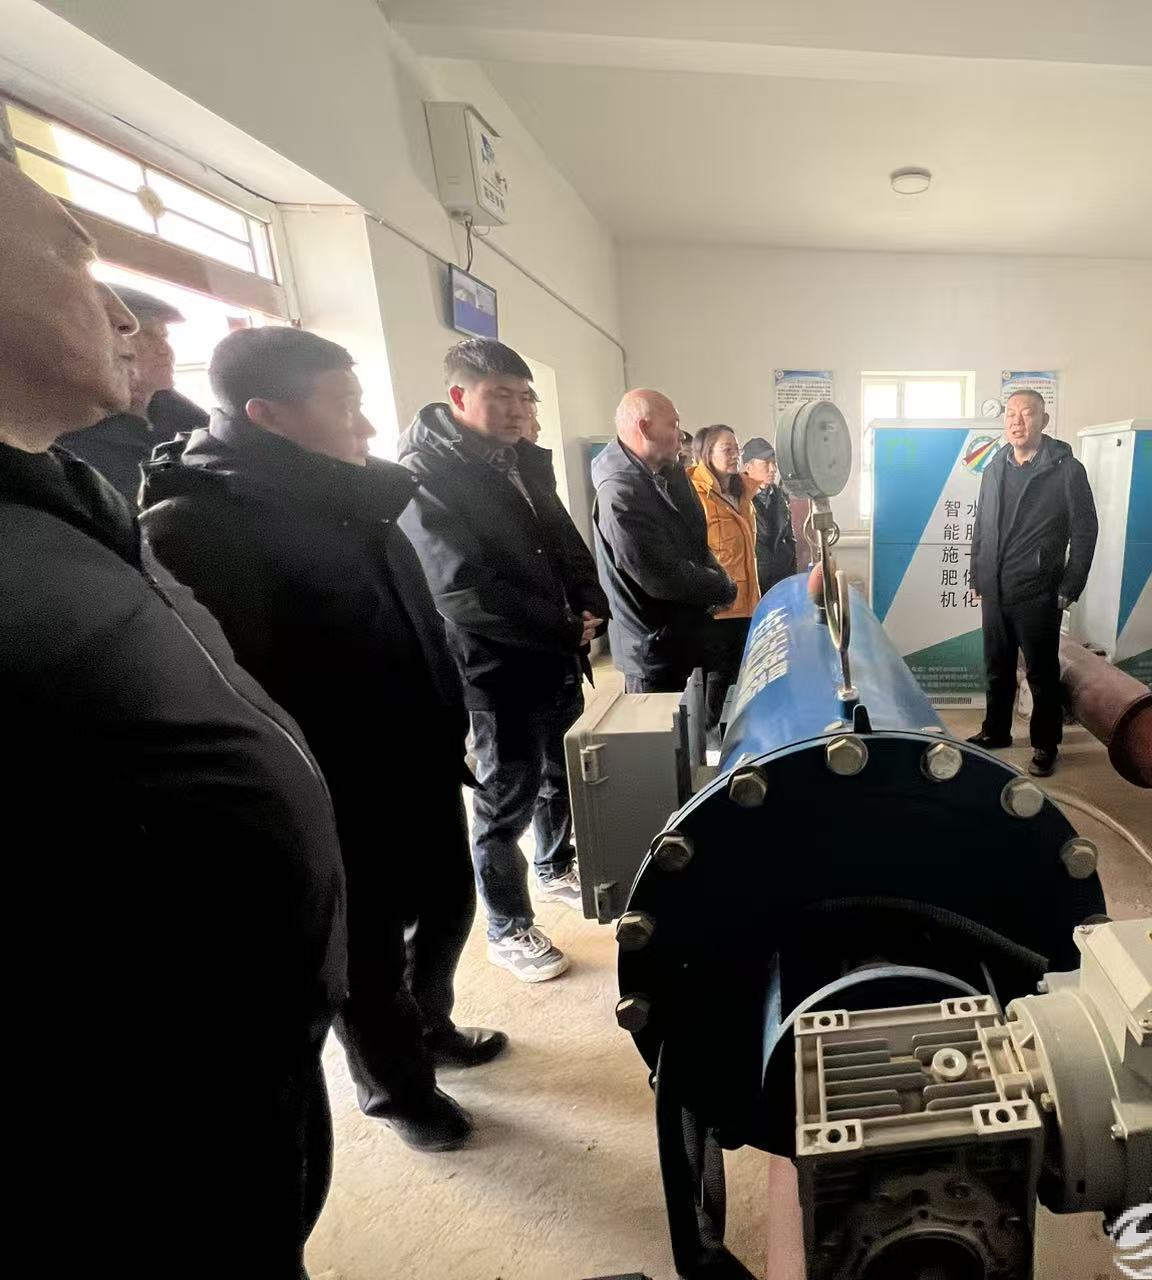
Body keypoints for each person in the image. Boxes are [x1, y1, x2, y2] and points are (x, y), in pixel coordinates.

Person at [0, 144, 345, 1274]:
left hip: (233, 1059)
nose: (118, 312)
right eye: (71, 256)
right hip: (123, 1117)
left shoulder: (65, 504)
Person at [138, 327, 504, 1153]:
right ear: (267, 415)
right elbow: (237, 691)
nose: (365, 426)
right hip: (336, 786)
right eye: (345, 407)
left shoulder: (352, 494)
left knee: (449, 902)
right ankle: (398, 1090)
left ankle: (431, 1025)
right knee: (365, 953)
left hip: (415, 758)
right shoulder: (201, 524)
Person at [398, 339, 609, 984]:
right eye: (501, 396)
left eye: (525, 397)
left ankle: (553, 864)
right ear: (459, 396)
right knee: (503, 798)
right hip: (496, 670)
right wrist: (561, 624)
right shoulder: (426, 475)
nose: (518, 410)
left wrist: (590, 604)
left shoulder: (521, 460)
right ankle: (506, 926)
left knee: (558, 775)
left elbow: (564, 542)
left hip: (556, 654)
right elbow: (461, 589)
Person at [967, 389, 1098, 777]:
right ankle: (996, 731)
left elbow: (1085, 530)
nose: (1017, 421)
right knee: (997, 667)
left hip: (1039, 591)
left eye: (1026, 413)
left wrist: (1069, 587)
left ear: (1043, 420)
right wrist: (977, 575)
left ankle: (1045, 744)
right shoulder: (995, 468)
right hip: (995, 587)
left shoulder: (1066, 470)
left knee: (1041, 674)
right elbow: (981, 526)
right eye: (1011, 413)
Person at [592, 389, 737, 693]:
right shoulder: (621, 493)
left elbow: (696, 541)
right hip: (653, 651)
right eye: (673, 425)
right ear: (645, 428)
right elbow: (661, 576)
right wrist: (722, 586)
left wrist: (718, 578)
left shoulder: (665, 474)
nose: (681, 435)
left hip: (683, 636)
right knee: (662, 724)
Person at [62, 284, 209, 500]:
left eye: (164, 336)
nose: (165, 350)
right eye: (146, 336)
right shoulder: (76, 441)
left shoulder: (181, 412)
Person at [689, 424, 764, 724]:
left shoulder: (743, 492)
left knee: (739, 673)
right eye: (727, 449)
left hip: (747, 600)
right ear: (707, 453)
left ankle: (730, 731)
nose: (735, 455)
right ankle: (709, 735)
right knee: (716, 677)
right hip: (717, 604)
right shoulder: (694, 494)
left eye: (737, 449)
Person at [744, 435, 798, 595]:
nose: (773, 468)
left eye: (774, 463)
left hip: (782, 578)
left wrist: (792, 576)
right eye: (766, 463)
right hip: (754, 582)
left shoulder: (780, 496)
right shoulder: (739, 498)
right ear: (748, 467)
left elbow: (789, 538)